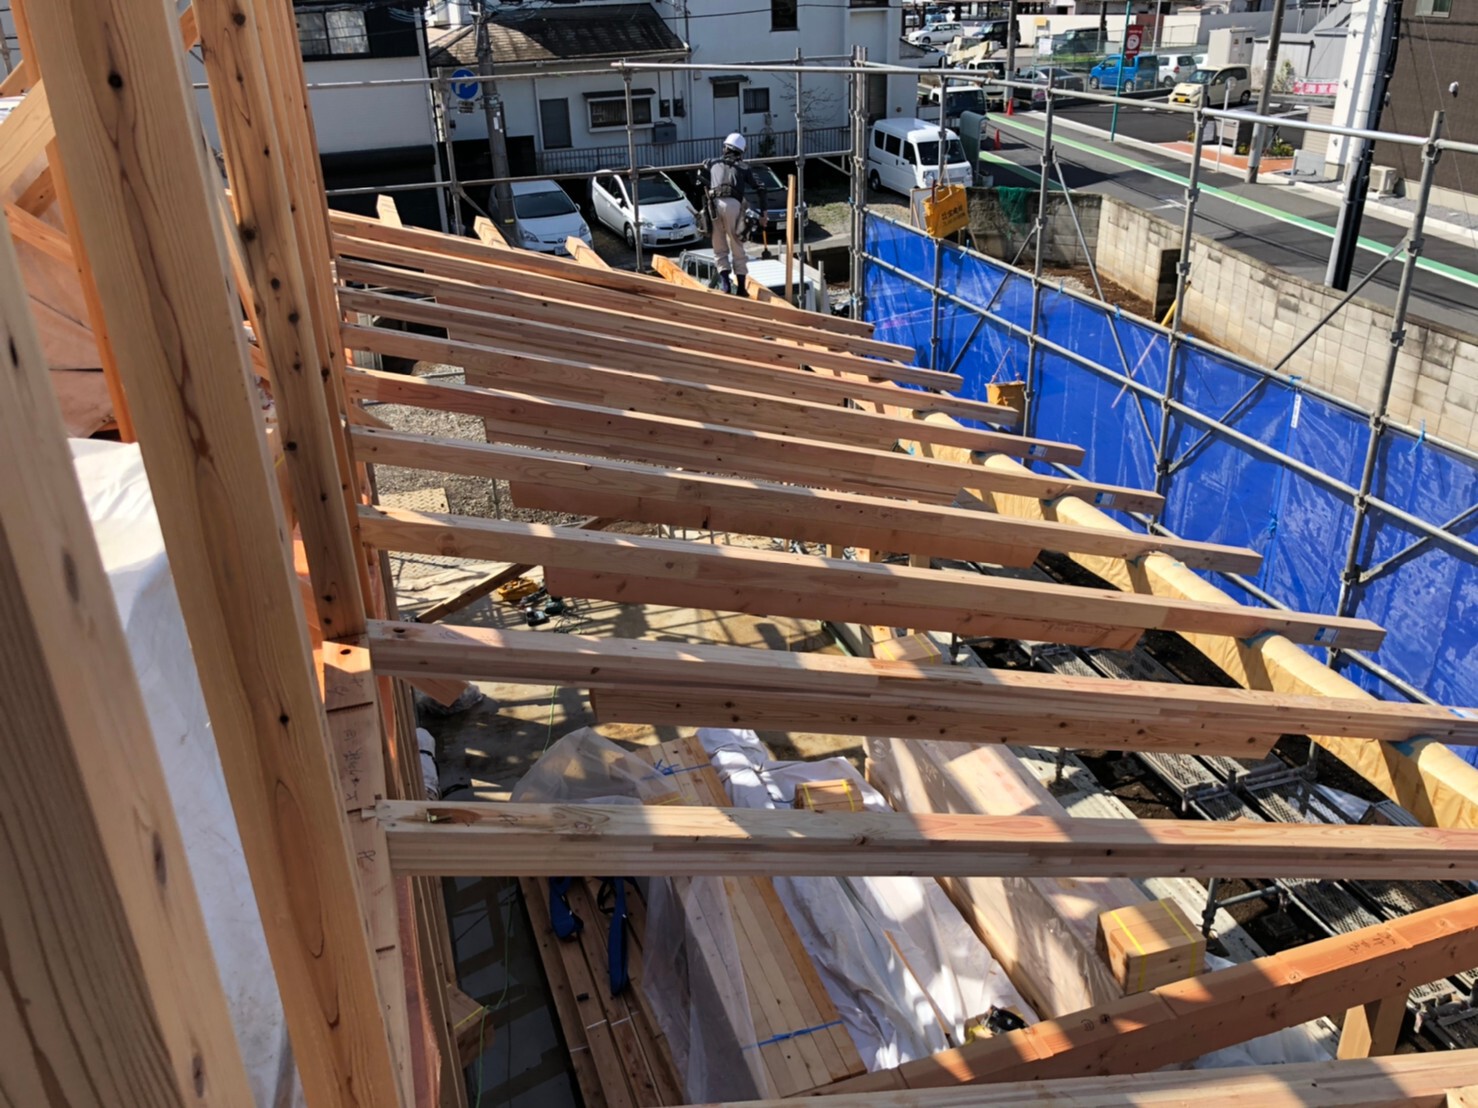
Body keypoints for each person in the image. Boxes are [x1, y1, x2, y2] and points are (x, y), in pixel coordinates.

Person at [700, 132, 769, 296]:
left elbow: (703, 169)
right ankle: (741, 289)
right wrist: (763, 214)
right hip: (733, 205)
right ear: (741, 152)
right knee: (737, 244)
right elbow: (761, 188)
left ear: (726, 148)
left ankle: (725, 286)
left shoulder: (713, 162)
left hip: (714, 205)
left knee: (719, 247)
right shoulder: (744, 168)